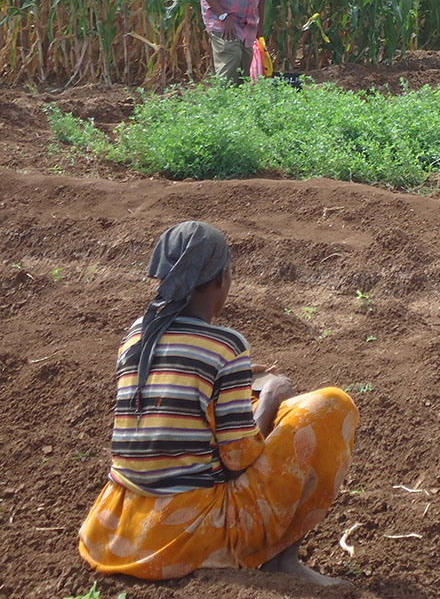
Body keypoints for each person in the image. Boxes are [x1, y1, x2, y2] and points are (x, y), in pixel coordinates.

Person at [78, 221, 358, 587]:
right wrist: (270, 398)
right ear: (221, 279)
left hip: (117, 531)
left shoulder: (136, 334)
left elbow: (179, 402)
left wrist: (238, 379)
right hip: (184, 535)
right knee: (329, 406)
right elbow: (238, 458)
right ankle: (282, 561)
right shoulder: (225, 345)